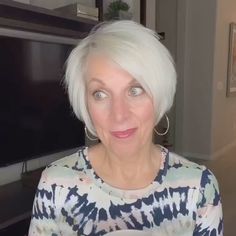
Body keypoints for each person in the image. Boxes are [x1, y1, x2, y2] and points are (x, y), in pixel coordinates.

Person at [28, 20, 223, 236]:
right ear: (85, 104)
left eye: (135, 90)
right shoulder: (57, 185)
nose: (119, 115)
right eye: (100, 94)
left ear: (158, 94)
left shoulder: (198, 187)